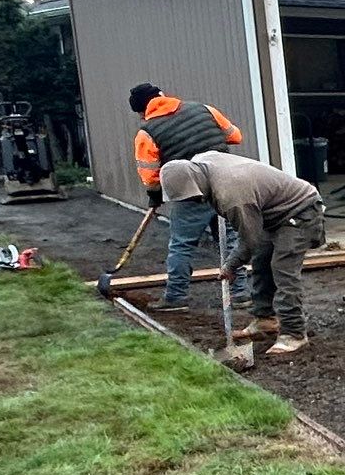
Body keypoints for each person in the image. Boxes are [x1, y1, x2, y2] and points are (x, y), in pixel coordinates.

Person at [157, 153, 326, 357]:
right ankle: (265, 319)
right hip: (273, 213)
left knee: (283, 270)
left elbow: (249, 241)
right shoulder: (201, 161)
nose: (194, 201)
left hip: (301, 210)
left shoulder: (232, 195)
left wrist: (231, 265)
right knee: (261, 263)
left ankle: (294, 333)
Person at [128, 83, 245, 309]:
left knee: (182, 244)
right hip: (226, 185)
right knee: (230, 241)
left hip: (190, 192)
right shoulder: (204, 109)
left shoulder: (147, 131)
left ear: (142, 110)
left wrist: (154, 196)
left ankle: (175, 297)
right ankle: (240, 293)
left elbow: (150, 174)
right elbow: (235, 136)